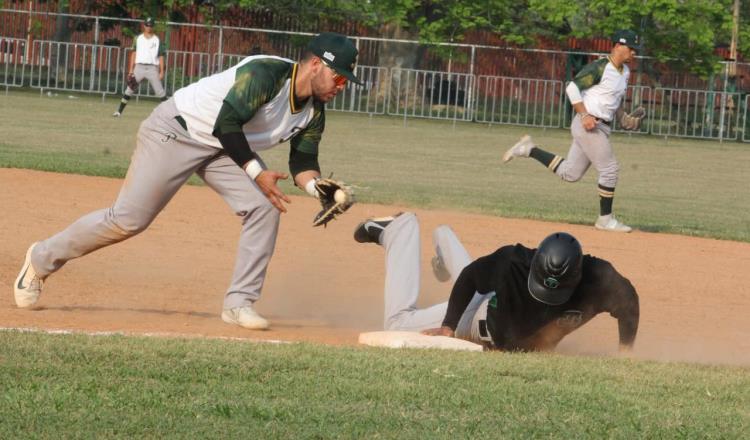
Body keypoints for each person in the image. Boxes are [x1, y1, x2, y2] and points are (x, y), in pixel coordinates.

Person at [15, 32, 363, 330]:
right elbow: (226, 123)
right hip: (177, 130)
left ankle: (238, 303)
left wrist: (314, 187)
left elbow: (302, 160)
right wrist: (256, 173)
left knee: (263, 209)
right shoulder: (267, 73)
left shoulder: (314, 112)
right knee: (128, 219)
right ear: (316, 64)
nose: (341, 86)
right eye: (340, 77)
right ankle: (41, 258)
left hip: (226, 148)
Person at [353, 212, 639, 352]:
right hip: (477, 321)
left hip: (495, 303)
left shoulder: (599, 279)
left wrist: (626, 353)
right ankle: (398, 231)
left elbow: (629, 304)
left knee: (481, 277)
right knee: (397, 323)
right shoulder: (513, 262)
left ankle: (443, 237)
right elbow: (469, 278)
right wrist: (449, 326)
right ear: (535, 264)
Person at [503, 30, 643, 233]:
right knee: (610, 170)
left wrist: (624, 118)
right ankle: (605, 220)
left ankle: (528, 149)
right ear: (618, 46)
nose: (634, 53)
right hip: (588, 124)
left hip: (601, 126)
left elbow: (614, 101)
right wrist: (585, 115)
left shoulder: (625, 72)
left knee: (570, 173)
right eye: (631, 48)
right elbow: (572, 88)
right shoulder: (600, 67)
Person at [113, 17, 167, 117]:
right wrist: (130, 70)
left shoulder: (157, 40)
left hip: (152, 68)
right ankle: (119, 111)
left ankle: (170, 115)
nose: (148, 27)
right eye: (147, 25)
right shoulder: (138, 38)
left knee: (160, 92)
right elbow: (134, 54)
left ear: (153, 26)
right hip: (139, 67)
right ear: (144, 25)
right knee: (129, 89)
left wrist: (161, 72)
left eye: (150, 25)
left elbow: (161, 56)